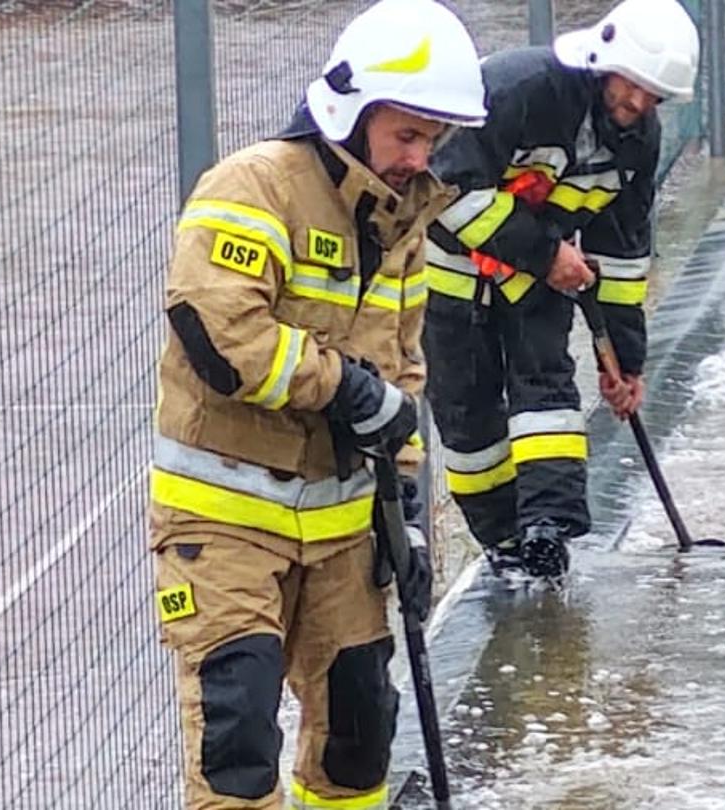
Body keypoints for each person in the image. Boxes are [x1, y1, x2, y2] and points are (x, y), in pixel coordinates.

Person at [146, 2, 485, 807]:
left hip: (342, 525)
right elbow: (219, 332)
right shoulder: (254, 186)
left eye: (432, 141)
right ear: (349, 108)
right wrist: (343, 387)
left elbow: (403, 376)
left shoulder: (401, 221)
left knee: (358, 736)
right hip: (224, 517)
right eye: (406, 135)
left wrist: (406, 508)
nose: (418, 157)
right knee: (239, 737)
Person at [421, 0, 700, 581]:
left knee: (545, 393)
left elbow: (623, 253)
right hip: (452, 276)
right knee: (467, 418)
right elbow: (445, 189)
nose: (641, 106)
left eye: (656, 98)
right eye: (636, 88)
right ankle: (502, 541)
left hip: (536, 274)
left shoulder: (637, 139)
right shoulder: (516, 89)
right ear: (604, 63)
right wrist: (547, 254)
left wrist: (625, 363)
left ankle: (549, 533)